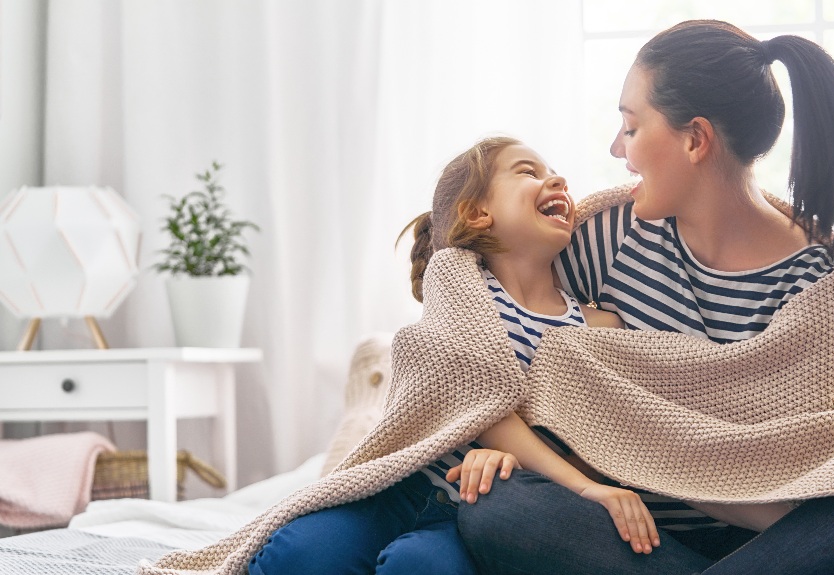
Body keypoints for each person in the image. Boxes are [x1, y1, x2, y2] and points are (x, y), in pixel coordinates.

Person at [457, 19, 834, 575]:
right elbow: (494, 332)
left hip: (759, 547)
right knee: (500, 508)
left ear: (694, 139)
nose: (615, 147)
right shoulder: (610, 236)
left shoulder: (816, 282)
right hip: (621, 536)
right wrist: (502, 439)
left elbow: (793, 478)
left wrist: (654, 453)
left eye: (630, 127)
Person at [248, 136, 683, 575]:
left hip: (472, 516)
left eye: (553, 173)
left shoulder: (601, 327)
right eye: (528, 172)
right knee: (300, 554)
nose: (558, 180)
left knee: (418, 567)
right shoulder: (457, 281)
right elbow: (472, 392)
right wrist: (584, 488)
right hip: (403, 488)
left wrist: (526, 473)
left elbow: (606, 433)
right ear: (478, 214)